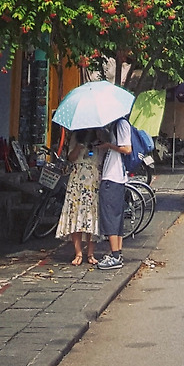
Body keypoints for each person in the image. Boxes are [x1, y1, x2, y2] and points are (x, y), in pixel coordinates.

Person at [56, 127, 103, 266]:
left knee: (91, 215)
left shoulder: (100, 136)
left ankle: (91, 253)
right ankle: (78, 253)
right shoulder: (76, 136)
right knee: (75, 214)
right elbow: (71, 158)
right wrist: (79, 146)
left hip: (93, 179)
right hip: (77, 178)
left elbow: (101, 159)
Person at [94, 114, 134, 269]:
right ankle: (117, 253)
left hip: (113, 177)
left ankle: (115, 255)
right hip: (115, 176)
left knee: (110, 215)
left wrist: (109, 146)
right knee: (116, 216)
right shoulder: (117, 124)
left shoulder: (121, 124)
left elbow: (127, 149)